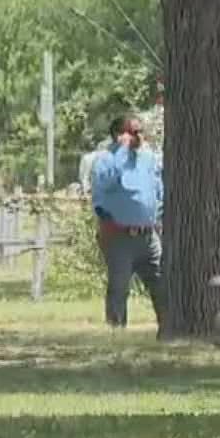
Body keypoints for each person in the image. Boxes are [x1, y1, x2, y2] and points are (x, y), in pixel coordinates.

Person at [90, 113, 164, 328]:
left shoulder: (148, 158)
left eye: (141, 131)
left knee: (162, 285)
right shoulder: (105, 160)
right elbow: (106, 183)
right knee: (119, 287)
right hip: (118, 236)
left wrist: (159, 214)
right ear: (118, 135)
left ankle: (169, 329)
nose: (140, 136)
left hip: (148, 236)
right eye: (133, 132)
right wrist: (122, 151)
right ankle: (116, 331)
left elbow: (158, 189)